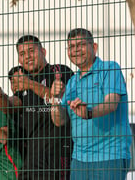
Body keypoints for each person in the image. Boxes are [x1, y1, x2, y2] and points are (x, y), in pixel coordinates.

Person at [51, 28, 132, 180]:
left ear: (94, 47)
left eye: (80, 44)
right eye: (71, 47)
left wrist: (89, 112)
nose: (76, 50)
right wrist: (54, 98)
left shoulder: (109, 69)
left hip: (109, 156)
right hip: (79, 160)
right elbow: (59, 120)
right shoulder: (72, 82)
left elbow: (111, 103)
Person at [11, 35, 74, 179]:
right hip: (30, 164)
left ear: (43, 52)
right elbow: (12, 104)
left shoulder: (58, 71)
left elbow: (60, 100)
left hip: (56, 160)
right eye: (22, 54)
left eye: (31, 51)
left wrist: (30, 84)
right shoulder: (23, 82)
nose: (27, 56)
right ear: (19, 60)